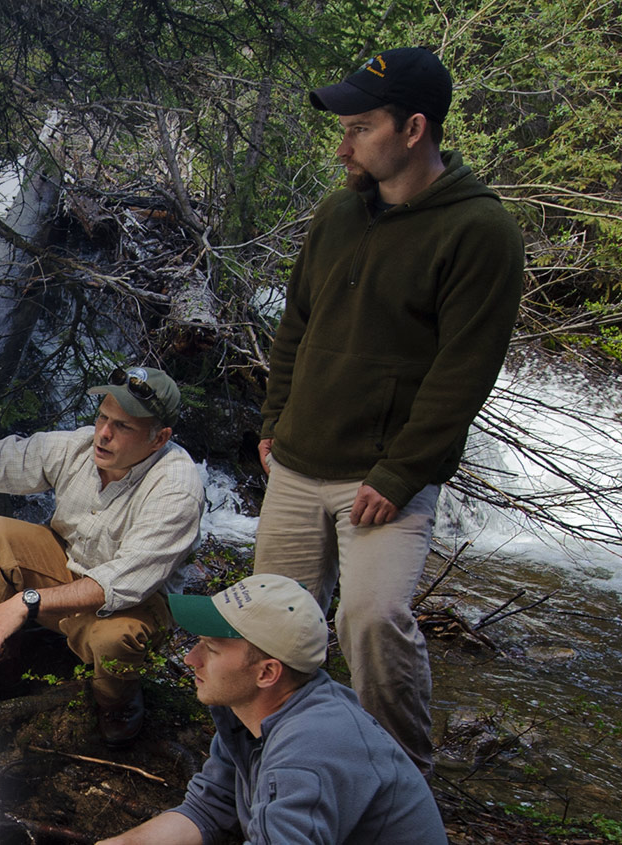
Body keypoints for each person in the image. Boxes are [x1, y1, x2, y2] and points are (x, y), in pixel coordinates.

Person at [254, 45, 526, 773]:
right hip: (298, 460)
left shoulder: (479, 232)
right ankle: (273, 765)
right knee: (270, 628)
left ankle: (398, 778)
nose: (343, 144)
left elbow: (463, 374)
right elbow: (297, 323)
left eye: (360, 127)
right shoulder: (339, 212)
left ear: (413, 129)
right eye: (342, 128)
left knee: (370, 620)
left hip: (383, 479)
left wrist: (400, 473)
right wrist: (274, 419)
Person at [0, 367, 204, 746]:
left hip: (135, 602)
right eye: (102, 416)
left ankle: (115, 701)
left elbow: (122, 582)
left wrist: (26, 601)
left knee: (112, 642)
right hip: (68, 567)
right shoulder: (80, 447)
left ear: (159, 438)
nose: (103, 433)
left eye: (123, 427)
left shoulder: (176, 489)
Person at [99, 574, 448, 844]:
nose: (191, 659)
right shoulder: (252, 715)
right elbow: (207, 809)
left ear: (267, 672)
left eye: (212, 649)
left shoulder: (311, 750)